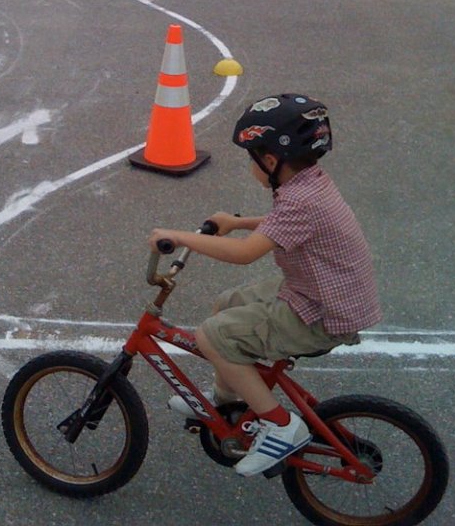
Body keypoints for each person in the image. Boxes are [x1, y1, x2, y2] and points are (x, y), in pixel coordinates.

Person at [149, 93, 382, 478]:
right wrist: (238, 221)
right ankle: (226, 402)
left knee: (212, 335)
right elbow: (282, 225)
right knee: (226, 304)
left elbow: (244, 255)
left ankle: (279, 425)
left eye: (252, 156)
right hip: (318, 290)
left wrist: (180, 237)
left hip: (322, 312)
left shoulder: (299, 201)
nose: (251, 164)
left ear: (270, 161)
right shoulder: (308, 184)